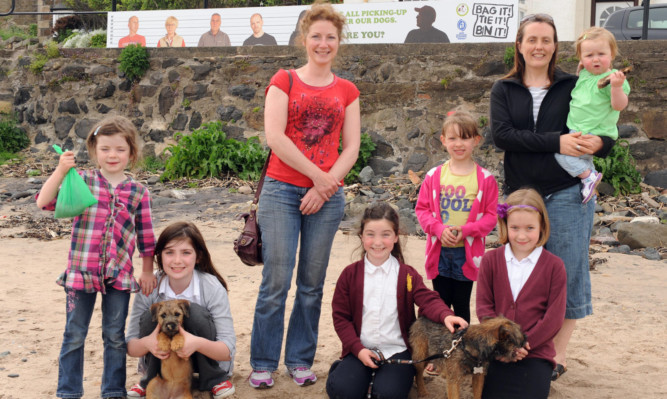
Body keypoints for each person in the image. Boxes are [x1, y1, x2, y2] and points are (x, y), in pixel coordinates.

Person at [489, 13, 616, 381]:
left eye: (546, 40)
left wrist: (602, 144)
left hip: (566, 190)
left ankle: (557, 353)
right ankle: (518, 343)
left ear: (556, 46)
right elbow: (504, 136)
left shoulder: (575, 84)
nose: (539, 46)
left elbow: (602, 120)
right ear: (520, 44)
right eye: (532, 39)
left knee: (569, 267)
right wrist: (556, 142)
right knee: (521, 271)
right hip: (522, 195)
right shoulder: (504, 89)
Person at [248, 1, 361, 390]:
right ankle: (263, 362)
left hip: (327, 199)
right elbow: (275, 138)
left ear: (338, 42)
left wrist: (324, 186)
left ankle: (299, 359)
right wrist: (318, 178)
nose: (323, 43)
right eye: (317, 36)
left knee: (312, 284)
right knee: (276, 281)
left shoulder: (347, 90)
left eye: (330, 37)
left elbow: (352, 147)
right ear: (304, 38)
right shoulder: (284, 80)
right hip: (281, 191)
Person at [36, 115, 157, 399]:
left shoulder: (139, 192)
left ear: (131, 153)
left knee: (115, 336)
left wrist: (148, 271)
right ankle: (68, 392)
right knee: (74, 335)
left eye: (120, 149)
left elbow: (147, 237)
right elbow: (44, 202)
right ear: (94, 151)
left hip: (120, 275)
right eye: (105, 149)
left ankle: (113, 391)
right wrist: (61, 172)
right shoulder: (82, 181)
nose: (112, 155)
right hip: (81, 273)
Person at [326, 202, 468, 399]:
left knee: (387, 394)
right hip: (359, 350)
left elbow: (428, 299)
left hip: (397, 351)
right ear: (361, 236)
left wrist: (446, 316)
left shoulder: (407, 275)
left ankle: (385, 379)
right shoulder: (349, 275)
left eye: (385, 234)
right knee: (343, 391)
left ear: (395, 236)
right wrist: (357, 350)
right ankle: (341, 369)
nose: (378, 242)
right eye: (370, 234)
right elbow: (341, 319)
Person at [126, 222, 236, 399]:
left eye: (186, 252)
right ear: (159, 256)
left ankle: (213, 379)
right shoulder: (149, 285)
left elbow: (227, 350)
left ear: (198, 256)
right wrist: (147, 343)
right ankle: (150, 379)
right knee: (149, 317)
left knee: (195, 314)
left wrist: (196, 343)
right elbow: (131, 345)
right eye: (169, 252)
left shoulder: (211, 287)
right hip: (164, 365)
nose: (177, 260)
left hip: (203, 363)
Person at [476, 188, 566, 398]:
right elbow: (484, 308)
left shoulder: (555, 266)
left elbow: (553, 318)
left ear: (542, 226)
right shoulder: (490, 260)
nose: (522, 235)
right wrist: (505, 345)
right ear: (505, 225)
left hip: (536, 353)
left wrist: (522, 345)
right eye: (514, 227)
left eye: (530, 228)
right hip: (497, 350)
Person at [415, 110, 498, 324]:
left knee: (461, 304)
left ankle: (460, 350)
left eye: (465, 137)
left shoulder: (485, 180)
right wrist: (438, 230)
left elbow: (490, 218)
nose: (458, 144)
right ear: (443, 141)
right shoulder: (434, 176)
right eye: (452, 138)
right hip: (438, 250)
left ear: (476, 140)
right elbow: (422, 210)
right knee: (439, 304)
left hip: (467, 254)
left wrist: (467, 231)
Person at [555, 26, 630, 203]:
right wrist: (580, 70)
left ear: (612, 54)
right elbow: (583, 90)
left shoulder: (612, 78)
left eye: (601, 54)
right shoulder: (586, 75)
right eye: (589, 56)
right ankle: (589, 188)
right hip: (578, 129)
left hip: (591, 131)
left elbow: (619, 105)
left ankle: (588, 177)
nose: (595, 59)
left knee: (560, 153)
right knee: (584, 161)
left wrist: (617, 87)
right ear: (581, 59)